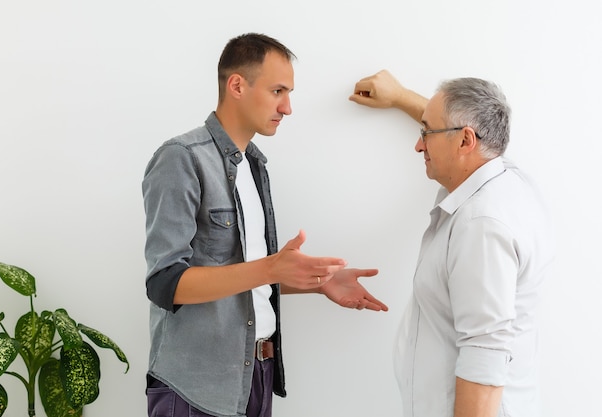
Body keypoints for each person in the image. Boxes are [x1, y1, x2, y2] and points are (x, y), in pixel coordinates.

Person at [142, 33, 388, 417]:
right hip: (196, 388)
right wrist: (273, 267)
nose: (287, 107)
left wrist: (318, 282)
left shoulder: (254, 165)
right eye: (278, 91)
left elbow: (241, 275)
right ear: (237, 85)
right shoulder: (181, 159)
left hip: (256, 377)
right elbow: (166, 284)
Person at [349, 70, 554, 417]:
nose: (418, 144)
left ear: (465, 142)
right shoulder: (503, 177)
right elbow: (458, 127)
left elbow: (484, 353)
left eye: (426, 132)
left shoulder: (481, 226)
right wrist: (400, 97)